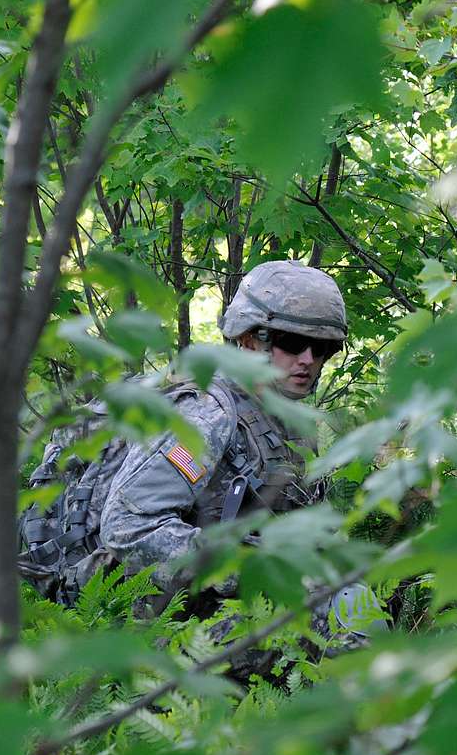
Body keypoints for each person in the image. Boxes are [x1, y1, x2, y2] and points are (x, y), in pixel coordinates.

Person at [96, 259, 347, 621]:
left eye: (322, 348)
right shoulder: (208, 413)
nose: (307, 360)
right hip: (179, 621)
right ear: (248, 339)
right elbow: (127, 526)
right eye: (292, 343)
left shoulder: (292, 421)